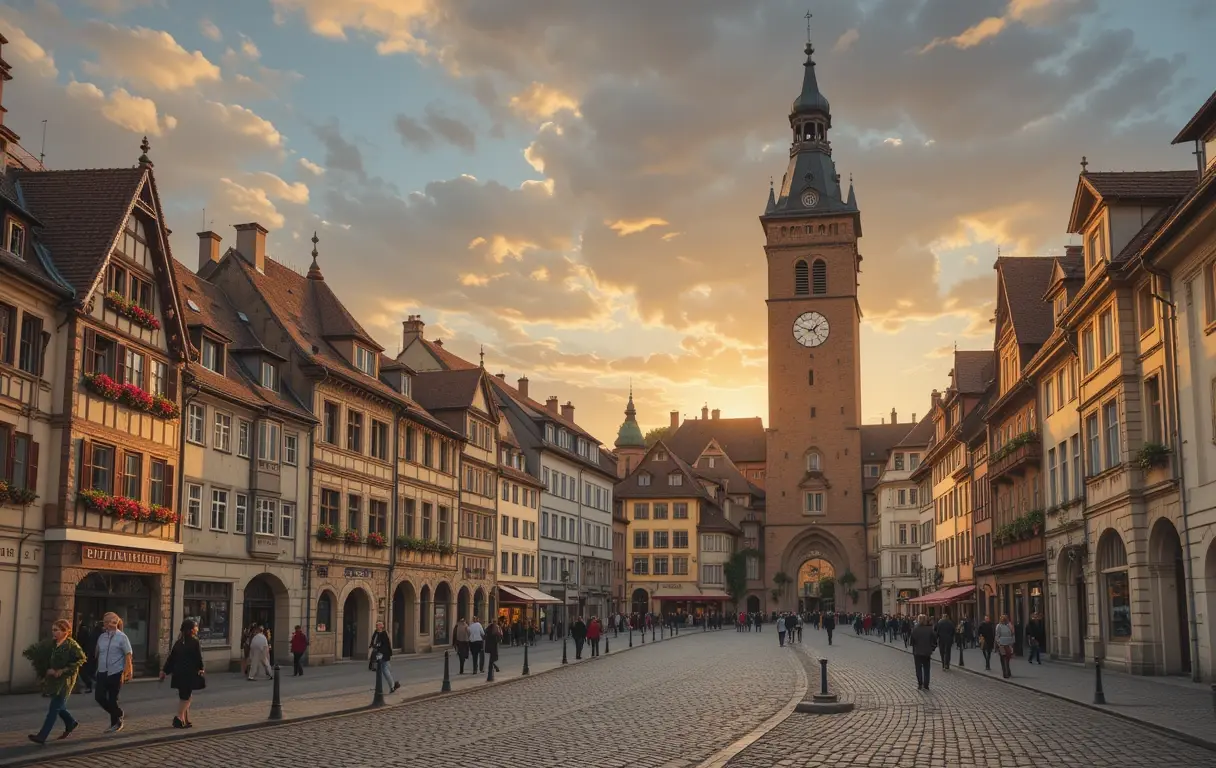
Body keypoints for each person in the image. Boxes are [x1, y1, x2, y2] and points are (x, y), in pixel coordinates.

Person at [28, 619, 86, 744]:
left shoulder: (71, 645)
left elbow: (81, 660)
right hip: (53, 680)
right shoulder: (52, 644)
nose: (54, 633)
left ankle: (42, 736)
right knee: (59, 707)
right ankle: (71, 723)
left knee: (54, 709)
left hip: (65, 681)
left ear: (66, 631)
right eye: (53, 630)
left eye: (56, 630)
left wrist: (63, 670)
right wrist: (46, 670)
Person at [160, 619, 205, 728]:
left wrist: (164, 671)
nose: (197, 629)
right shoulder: (195, 641)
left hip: (178, 673)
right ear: (191, 630)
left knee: (183, 695)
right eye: (196, 627)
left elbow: (171, 658)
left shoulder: (178, 642)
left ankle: (186, 720)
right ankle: (179, 718)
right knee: (186, 697)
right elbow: (198, 657)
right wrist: (201, 668)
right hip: (188, 673)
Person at [94, 612, 132, 733]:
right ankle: (118, 713)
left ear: (114, 622)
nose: (105, 624)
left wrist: (128, 670)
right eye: (104, 621)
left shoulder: (122, 637)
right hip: (102, 671)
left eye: (107, 621)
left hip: (116, 671)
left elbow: (128, 654)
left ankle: (115, 723)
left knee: (112, 699)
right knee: (99, 697)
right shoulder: (102, 637)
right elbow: (98, 652)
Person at [369, 620, 400, 693]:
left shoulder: (384, 633)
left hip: (383, 654)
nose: (377, 626)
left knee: (385, 670)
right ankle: (392, 685)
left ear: (382, 626)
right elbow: (373, 641)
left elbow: (386, 644)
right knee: (386, 669)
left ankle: (392, 686)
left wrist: (379, 649)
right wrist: (372, 646)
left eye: (379, 625)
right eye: (377, 625)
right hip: (378, 653)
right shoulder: (376, 633)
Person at [910, 614, 936, 691]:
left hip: (917, 652)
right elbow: (934, 640)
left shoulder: (915, 629)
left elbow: (911, 642)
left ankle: (920, 684)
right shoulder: (929, 629)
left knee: (918, 668)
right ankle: (926, 685)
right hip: (927, 652)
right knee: (926, 668)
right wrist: (932, 648)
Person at [995, 614, 1016, 678]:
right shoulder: (999, 626)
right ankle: (1005, 672)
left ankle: (1007, 671)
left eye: (1005, 619)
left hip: (1008, 644)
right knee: (1003, 658)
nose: (1004, 620)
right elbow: (997, 635)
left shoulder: (1008, 626)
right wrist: (998, 643)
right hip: (1002, 644)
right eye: (1003, 619)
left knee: (1007, 658)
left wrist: (1012, 642)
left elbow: (1012, 634)